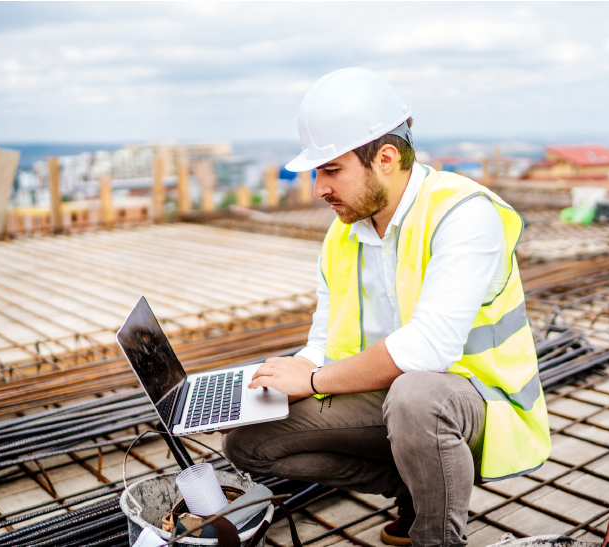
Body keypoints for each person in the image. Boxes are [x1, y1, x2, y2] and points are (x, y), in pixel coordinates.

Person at [222, 68, 551, 547]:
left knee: (416, 396)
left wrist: (312, 382)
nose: (318, 188)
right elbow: (324, 339)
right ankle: (419, 486)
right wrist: (281, 381)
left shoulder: (463, 215)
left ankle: (436, 536)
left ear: (386, 158)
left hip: (479, 403)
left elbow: (428, 349)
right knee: (249, 442)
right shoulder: (343, 234)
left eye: (331, 170)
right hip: (396, 402)